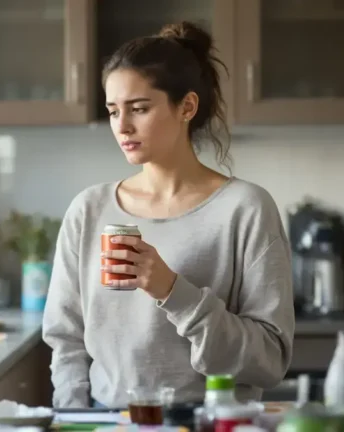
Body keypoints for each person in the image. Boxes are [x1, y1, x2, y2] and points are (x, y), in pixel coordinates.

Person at [41, 21, 295, 408]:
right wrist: (72, 416)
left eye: (139, 108)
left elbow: (269, 360)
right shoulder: (89, 210)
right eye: (113, 111)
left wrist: (172, 291)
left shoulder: (245, 209)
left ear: (187, 107)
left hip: (210, 422)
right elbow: (66, 339)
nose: (122, 126)